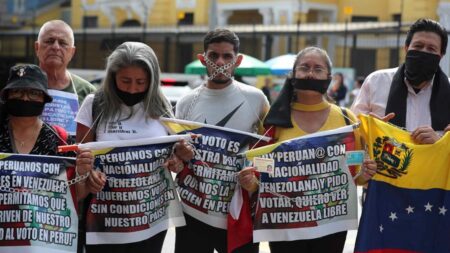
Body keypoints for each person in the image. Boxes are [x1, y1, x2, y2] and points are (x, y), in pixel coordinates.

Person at [238, 46, 377, 253]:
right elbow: (261, 165)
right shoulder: (274, 120)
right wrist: (253, 183)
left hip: (331, 223)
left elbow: (354, 172)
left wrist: (365, 175)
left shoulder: (347, 119)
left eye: (318, 69)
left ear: (329, 77)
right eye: (304, 68)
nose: (311, 73)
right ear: (293, 75)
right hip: (284, 223)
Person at [75, 41, 193, 253]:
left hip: (151, 219)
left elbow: (176, 152)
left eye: (141, 82)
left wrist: (178, 159)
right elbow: (81, 157)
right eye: (125, 80)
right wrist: (89, 172)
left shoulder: (162, 106)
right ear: (112, 78)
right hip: (103, 218)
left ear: (152, 80)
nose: (132, 89)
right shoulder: (94, 104)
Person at [174, 28, 270, 253]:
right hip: (193, 212)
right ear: (202, 59)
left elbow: (269, 149)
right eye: (213, 55)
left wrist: (256, 181)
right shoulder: (186, 102)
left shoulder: (256, 99)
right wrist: (179, 154)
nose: (220, 61)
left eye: (227, 56)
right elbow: (175, 154)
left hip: (239, 212)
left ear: (238, 60)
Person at [0, 64, 93, 200]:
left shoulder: (60, 140)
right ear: (7, 96)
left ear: (44, 98)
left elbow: (74, 197)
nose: (25, 98)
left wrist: (82, 174)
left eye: (33, 93)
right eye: (17, 91)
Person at [351, 18, 450, 143]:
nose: (423, 52)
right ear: (406, 48)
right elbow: (351, 132)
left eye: (431, 49)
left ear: (440, 55)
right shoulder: (376, 82)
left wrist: (439, 142)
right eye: (418, 46)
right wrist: (372, 131)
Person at [35, 20, 96, 105]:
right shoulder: (21, 87)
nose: (56, 47)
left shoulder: (88, 92)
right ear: (37, 48)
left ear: (72, 52)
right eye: (49, 41)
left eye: (62, 43)